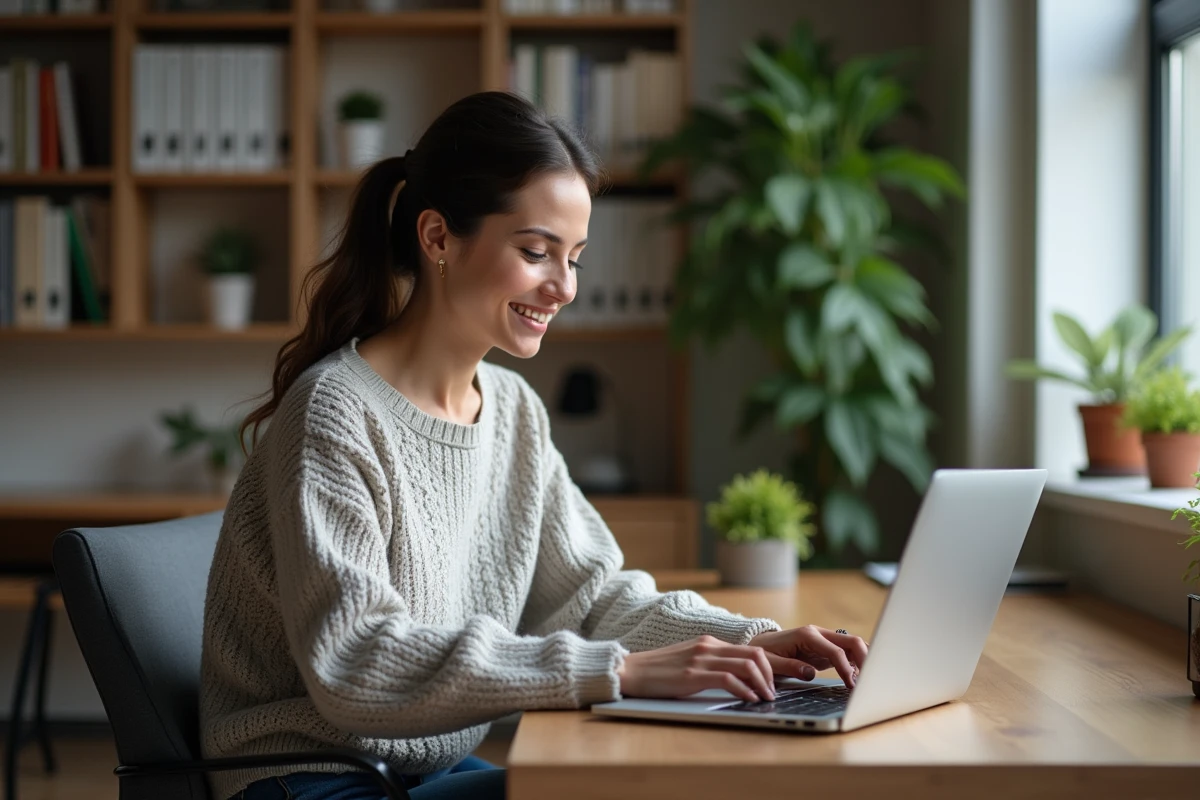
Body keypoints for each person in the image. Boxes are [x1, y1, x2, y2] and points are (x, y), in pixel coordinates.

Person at [198, 91, 868, 800]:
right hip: (307, 777)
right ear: (437, 239)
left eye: (574, 258)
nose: (563, 287)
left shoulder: (513, 409)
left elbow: (591, 598)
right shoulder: (333, 413)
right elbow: (356, 662)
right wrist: (619, 672)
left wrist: (749, 642)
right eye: (536, 252)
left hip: (418, 766)